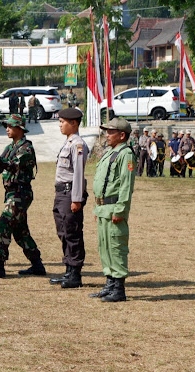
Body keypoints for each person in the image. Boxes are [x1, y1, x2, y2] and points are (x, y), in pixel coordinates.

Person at [0, 114, 46, 278]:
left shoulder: (26, 148)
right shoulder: (10, 147)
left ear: (19, 129)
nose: (7, 129)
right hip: (13, 193)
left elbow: (11, 164)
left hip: (20, 193)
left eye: (10, 126)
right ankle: (37, 265)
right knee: (21, 233)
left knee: (2, 227)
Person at [90, 117, 136, 302]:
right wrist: (97, 208)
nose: (107, 135)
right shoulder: (111, 152)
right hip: (103, 208)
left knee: (116, 247)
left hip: (114, 207)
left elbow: (126, 185)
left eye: (110, 132)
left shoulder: (125, 154)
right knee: (105, 247)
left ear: (122, 135)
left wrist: (120, 210)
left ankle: (119, 289)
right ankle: (109, 283)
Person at [50, 108, 89, 289]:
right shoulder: (68, 143)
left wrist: (77, 199)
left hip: (70, 193)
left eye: (62, 122)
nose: (60, 125)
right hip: (61, 193)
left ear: (73, 123)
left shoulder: (77, 144)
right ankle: (68, 269)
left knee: (72, 232)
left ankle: (75, 273)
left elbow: (79, 174)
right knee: (63, 232)